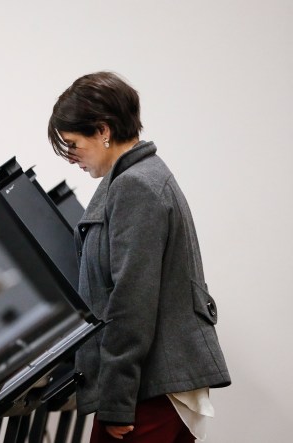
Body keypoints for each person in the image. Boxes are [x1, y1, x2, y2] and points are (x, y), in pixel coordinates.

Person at [47, 72, 230, 442]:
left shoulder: (135, 186)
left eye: (72, 144)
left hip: (149, 389)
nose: (70, 159)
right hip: (153, 384)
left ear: (103, 130)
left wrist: (116, 402)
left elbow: (132, 302)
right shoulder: (139, 177)